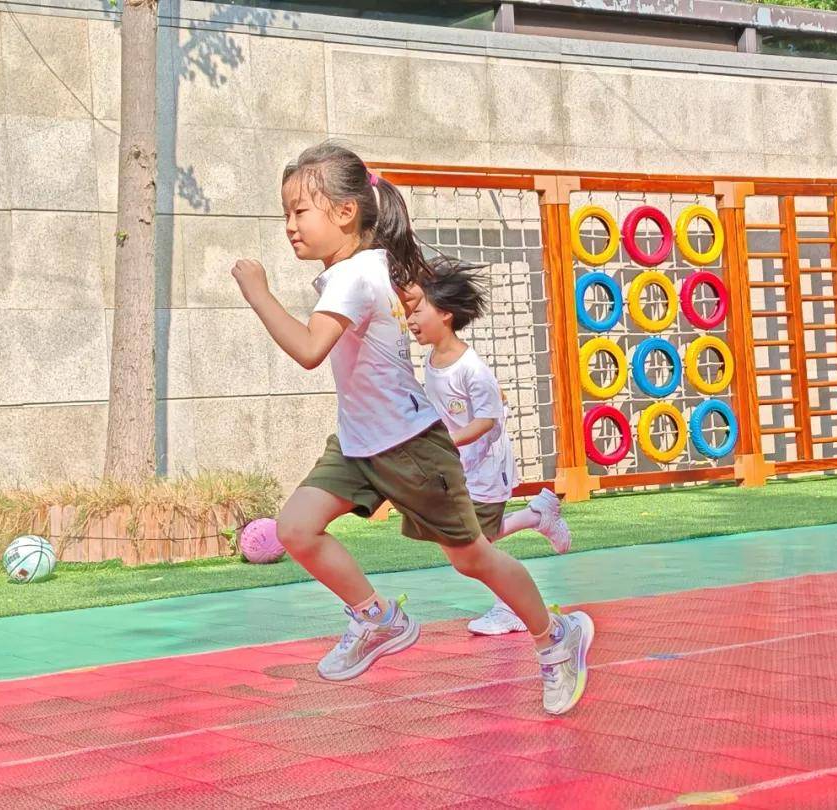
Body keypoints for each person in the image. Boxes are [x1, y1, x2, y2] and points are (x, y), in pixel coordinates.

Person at [230, 142, 593, 714]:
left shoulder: (355, 275)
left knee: (472, 557)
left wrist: (258, 292)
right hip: (359, 444)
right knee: (297, 528)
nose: (289, 227)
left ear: (345, 212)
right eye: (286, 215)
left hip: (409, 446)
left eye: (300, 212)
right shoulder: (356, 271)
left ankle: (556, 636)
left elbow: (308, 350)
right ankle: (378, 619)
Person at [408, 259, 572, 637]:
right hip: (460, 465)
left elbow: (489, 421)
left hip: (485, 464)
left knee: (473, 546)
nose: (411, 319)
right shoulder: (431, 359)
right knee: (473, 542)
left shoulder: (471, 368)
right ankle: (537, 516)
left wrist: (446, 442)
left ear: (445, 314)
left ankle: (509, 607)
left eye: (418, 310)